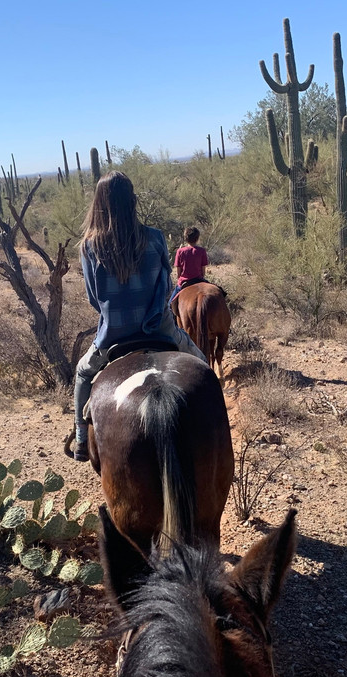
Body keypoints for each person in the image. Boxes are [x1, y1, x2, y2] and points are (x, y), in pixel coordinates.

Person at [71, 172, 206, 463]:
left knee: (83, 375)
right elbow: (165, 284)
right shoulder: (155, 237)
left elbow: (94, 299)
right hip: (162, 330)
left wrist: (116, 315)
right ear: (132, 201)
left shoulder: (89, 247)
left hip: (113, 337)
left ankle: (81, 440)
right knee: (203, 366)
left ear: (99, 204)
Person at [169, 226, 209, 321]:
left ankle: (173, 327)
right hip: (199, 280)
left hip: (184, 283)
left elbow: (179, 273)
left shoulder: (180, 251)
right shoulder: (202, 251)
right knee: (220, 293)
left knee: (169, 306)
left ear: (185, 238)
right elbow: (203, 272)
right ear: (197, 238)